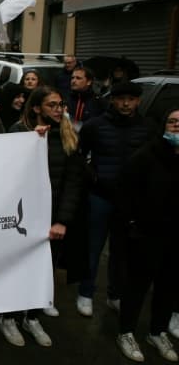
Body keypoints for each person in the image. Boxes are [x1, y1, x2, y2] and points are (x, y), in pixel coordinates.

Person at [4, 86, 85, 344]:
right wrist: (32, 141)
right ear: (37, 108)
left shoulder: (68, 136)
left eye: (60, 104)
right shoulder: (19, 132)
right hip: (24, 216)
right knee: (18, 267)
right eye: (52, 105)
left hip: (53, 217)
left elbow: (73, 181)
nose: (58, 110)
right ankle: (9, 317)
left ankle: (33, 317)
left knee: (45, 268)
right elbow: (4, 170)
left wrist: (62, 220)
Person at [76, 82, 156, 318]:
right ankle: (86, 293)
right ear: (112, 100)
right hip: (100, 196)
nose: (125, 103)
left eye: (131, 99)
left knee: (122, 252)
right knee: (93, 248)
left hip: (131, 201)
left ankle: (115, 295)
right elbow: (79, 155)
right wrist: (92, 176)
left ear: (138, 101)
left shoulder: (148, 128)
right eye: (121, 99)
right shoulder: (95, 126)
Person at [114, 106, 179, 363]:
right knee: (136, 287)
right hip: (147, 235)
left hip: (175, 239)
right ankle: (126, 332)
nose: (176, 125)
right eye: (173, 121)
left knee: (169, 287)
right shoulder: (146, 156)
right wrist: (131, 226)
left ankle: (157, 331)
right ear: (164, 125)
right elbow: (125, 193)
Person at [68, 66, 105, 131]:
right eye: (72, 78)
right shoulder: (67, 99)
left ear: (89, 82)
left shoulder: (99, 102)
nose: (73, 81)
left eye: (78, 78)